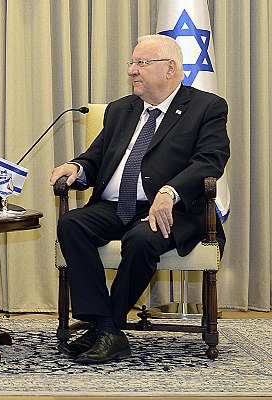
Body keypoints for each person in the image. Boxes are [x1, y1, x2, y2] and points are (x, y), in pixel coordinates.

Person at [49, 34, 230, 364]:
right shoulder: (121, 109)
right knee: (72, 225)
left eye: (141, 63)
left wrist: (169, 191)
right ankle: (107, 327)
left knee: (143, 239)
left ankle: (106, 329)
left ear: (170, 68)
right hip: (115, 206)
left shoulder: (206, 107)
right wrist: (77, 167)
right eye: (131, 63)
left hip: (172, 209)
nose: (132, 70)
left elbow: (210, 160)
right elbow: (98, 156)